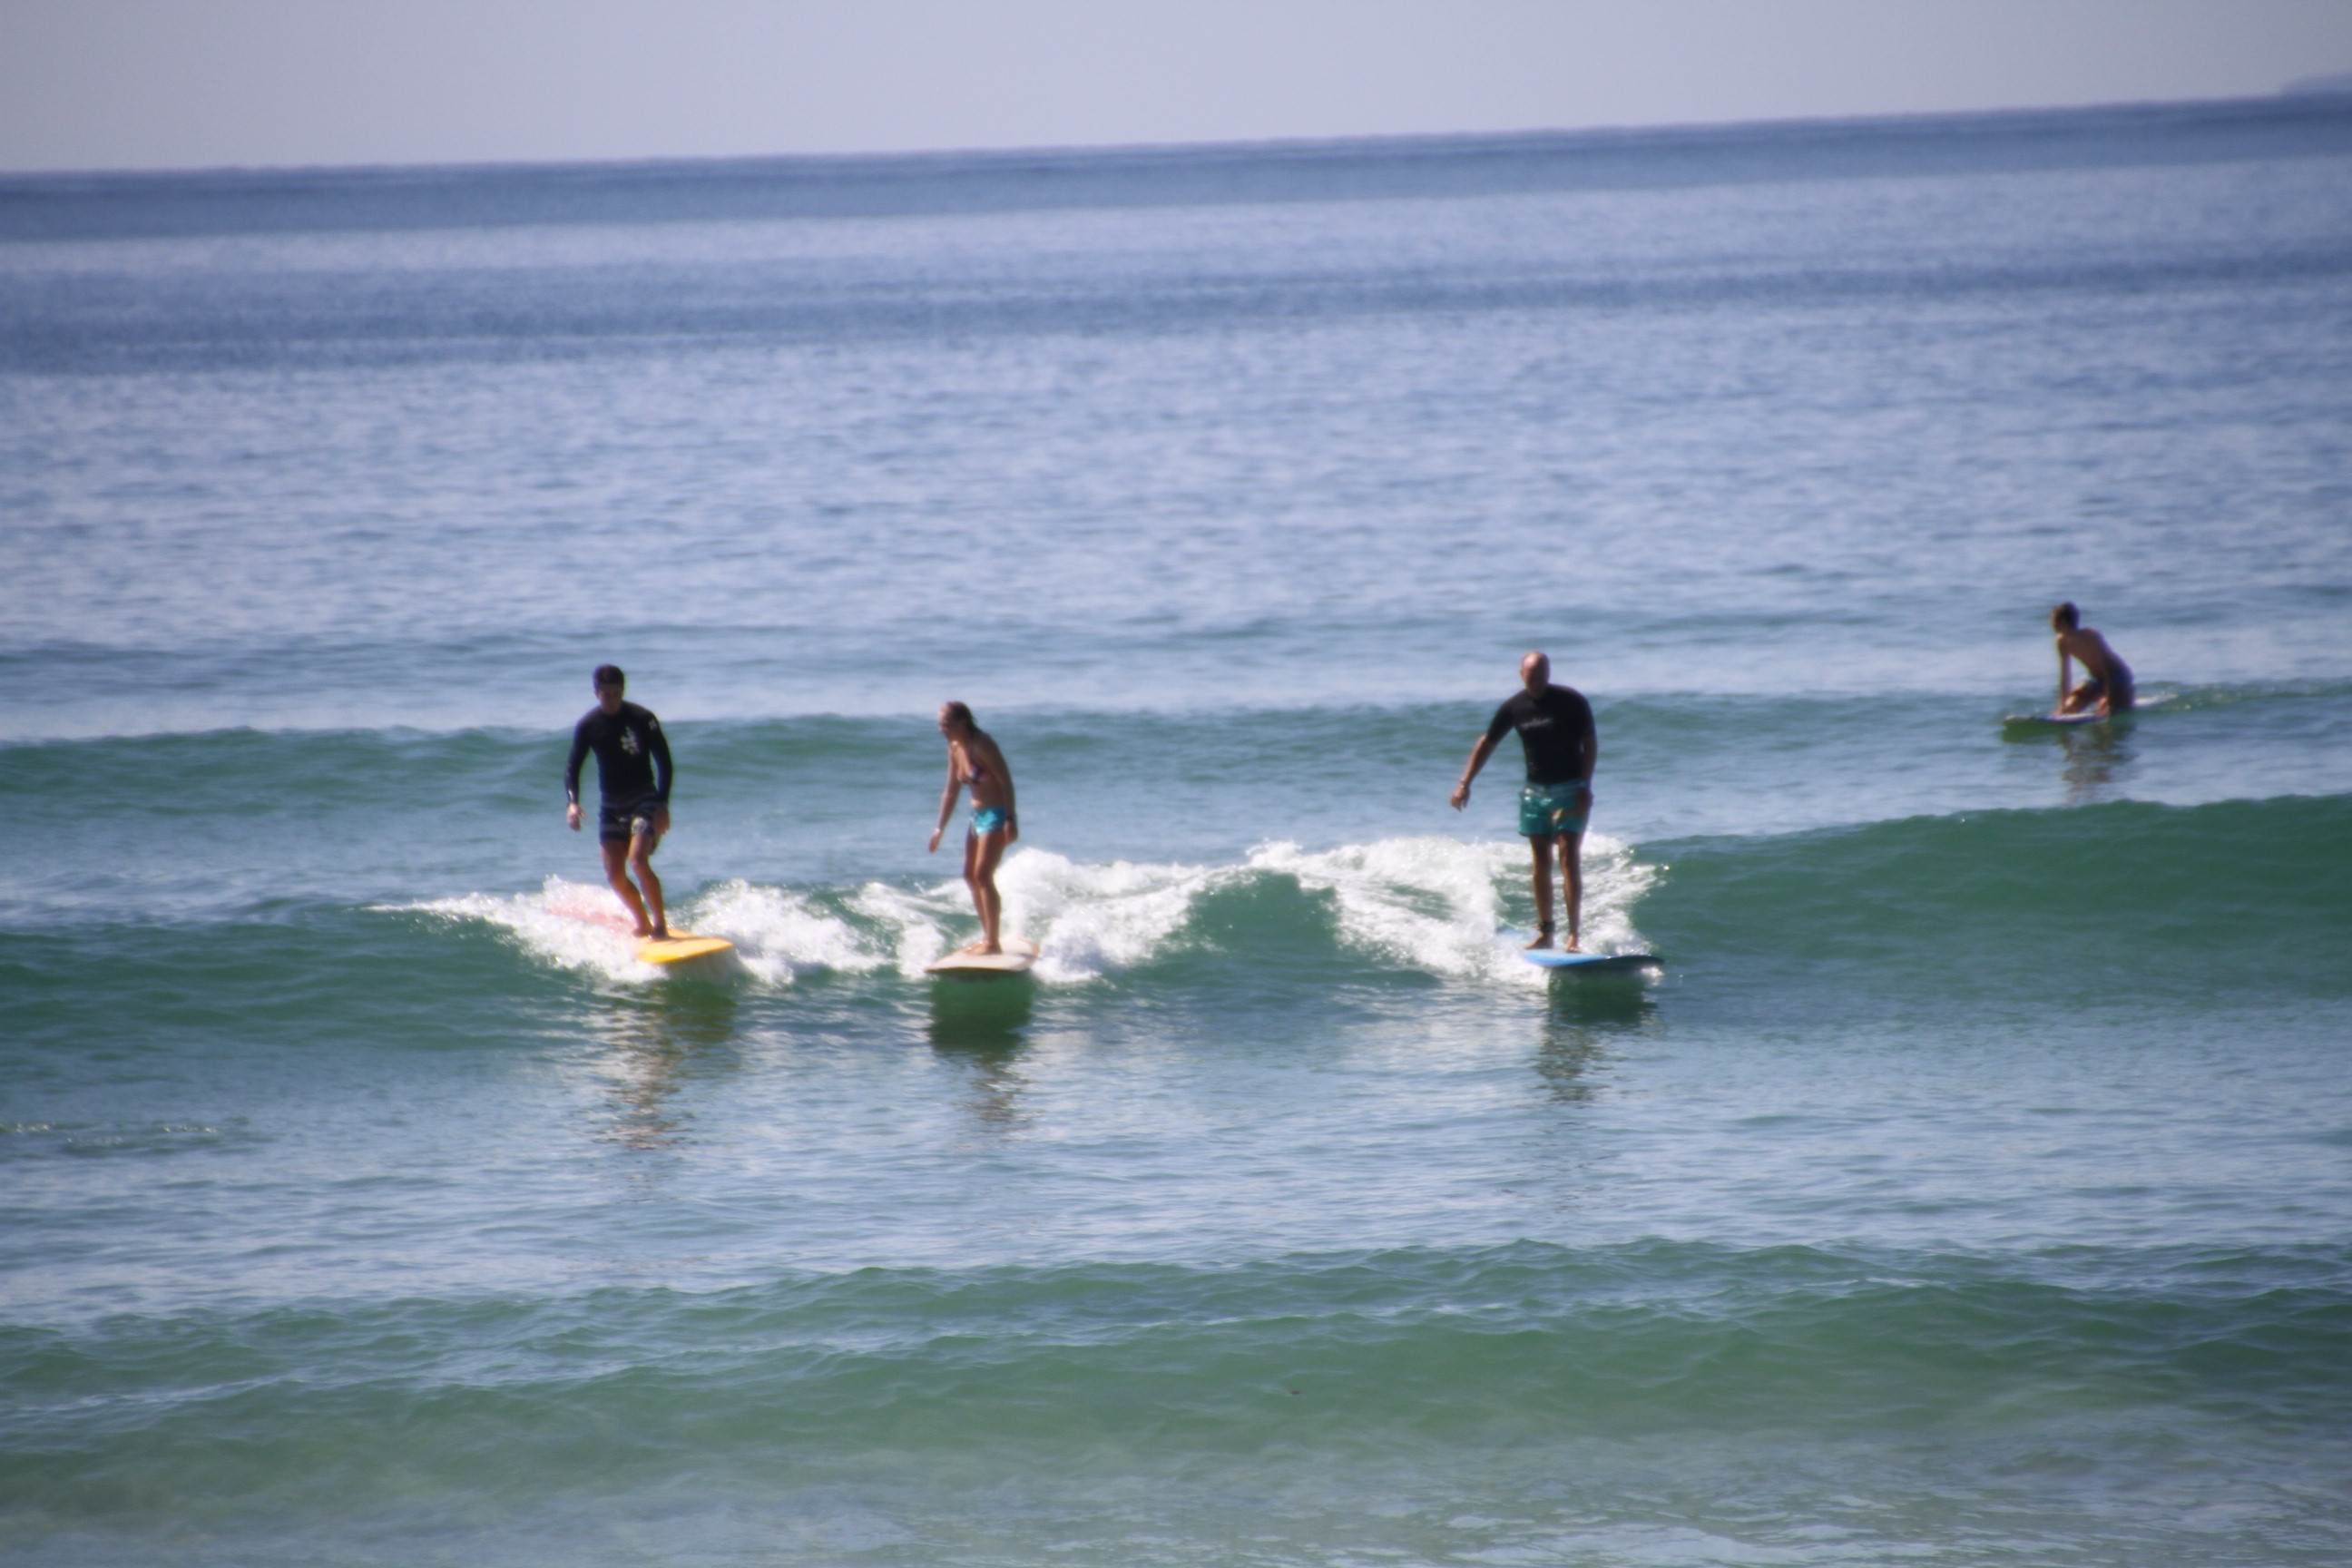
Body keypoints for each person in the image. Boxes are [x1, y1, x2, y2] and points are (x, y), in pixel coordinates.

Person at [1451, 651, 1598, 951]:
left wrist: (1585, 785)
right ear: (1522, 675)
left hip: (1570, 790)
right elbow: (1487, 742)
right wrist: (1465, 783)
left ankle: (1574, 935)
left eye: (1541, 676)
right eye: (1531, 677)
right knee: (1540, 862)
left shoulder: (1571, 701)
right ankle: (1546, 932)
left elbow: (1590, 743)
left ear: (1549, 674)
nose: (1537, 682)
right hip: (1534, 794)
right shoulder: (1514, 707)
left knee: (1568, 856)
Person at [564, 664, 673, 939]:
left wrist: (662, 804)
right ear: (596, 693)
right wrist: (573, 803)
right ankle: (643, 923)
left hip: (644, 799)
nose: (611, 700)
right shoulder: (589, 725)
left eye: (616, 694)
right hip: (611, 806)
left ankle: (660, 924)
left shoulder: (642, 718)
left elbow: (665, 762)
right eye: (606, 694)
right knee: (614, 875)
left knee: (637, 860)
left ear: (623, 691)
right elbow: (573, 767)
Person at [928, 701, 1019, 954]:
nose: (941, 729)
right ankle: (988, 935)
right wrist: (939, 829)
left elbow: (1006, 781)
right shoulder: (954, 747)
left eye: (946, 724)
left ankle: (993, 943)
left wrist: (1010, 819)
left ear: (963, 722)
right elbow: (951, 791)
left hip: (996, 814)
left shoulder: (983, 744)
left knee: (982, 875)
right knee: (969, 876)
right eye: (940, 724)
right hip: (976, 816)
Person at [2051, 602, 2135, 715]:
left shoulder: (2091, 636)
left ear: (2064, 622)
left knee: (2109, 709)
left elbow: (2107, 668)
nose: (2051, 623)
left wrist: (2109, 698)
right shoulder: (2061, 642)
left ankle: (2122, 697)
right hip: (2096, 679)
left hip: (2118, 677)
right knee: (2071, 706)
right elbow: (2065, 675)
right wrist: (2062, 705)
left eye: (2054, 620)